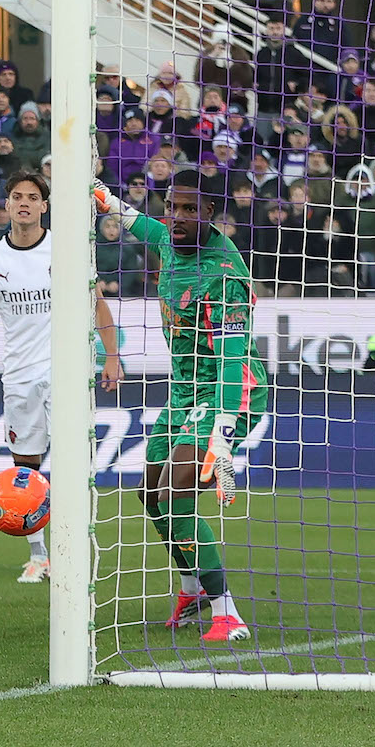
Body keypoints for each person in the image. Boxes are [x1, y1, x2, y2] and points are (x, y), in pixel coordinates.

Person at [94, 169, 268, 641]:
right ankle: (192, 589)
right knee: (150, 495)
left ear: (212, 213)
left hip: (228, 392)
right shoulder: (170, 238)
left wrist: (224, 431)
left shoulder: (226, 274)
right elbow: (143, 227)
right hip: (183, 390)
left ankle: (226, 612)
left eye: (191, 210)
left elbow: (234, 360)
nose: (178, 217)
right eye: (174, 207)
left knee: (175, 494)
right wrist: (104, 198)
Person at [0, 170, 122, 582]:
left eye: (32, 197)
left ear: (44, 205)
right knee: (26, 468)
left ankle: (73, 551)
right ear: (7, 204)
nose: (23, 203)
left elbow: (97, 302)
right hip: (19, 374)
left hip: (67, 372)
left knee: (73, 466)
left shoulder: (67, 248)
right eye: (16, 196)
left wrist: (112, 356)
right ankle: (39, 556)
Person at [11, 103, 51, 172]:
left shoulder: (48, 138)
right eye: (25, 119)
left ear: (38, 121)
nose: (29, 122)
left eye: (32, 118)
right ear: (20, 121)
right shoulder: (12, 138)